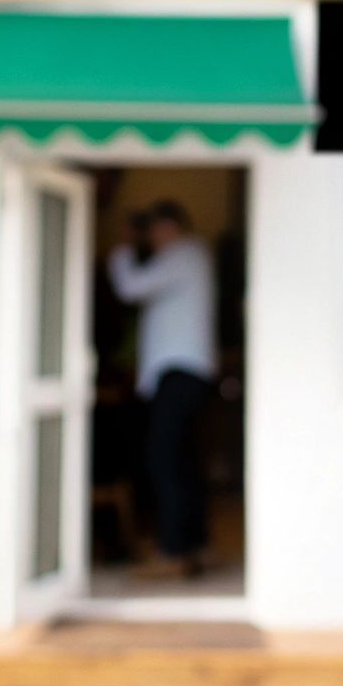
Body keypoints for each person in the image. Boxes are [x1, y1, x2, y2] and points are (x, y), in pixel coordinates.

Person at [105, 200, 216, 579]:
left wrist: (122, 247)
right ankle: (194, 545)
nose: (149, 239)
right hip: (184, 372)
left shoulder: (182, 255)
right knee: (182, 461)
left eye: (152, 230)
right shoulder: (191, 258)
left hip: (179, 372)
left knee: (164, 459)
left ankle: (173, 551)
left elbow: (130, 287)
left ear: (168, 227)